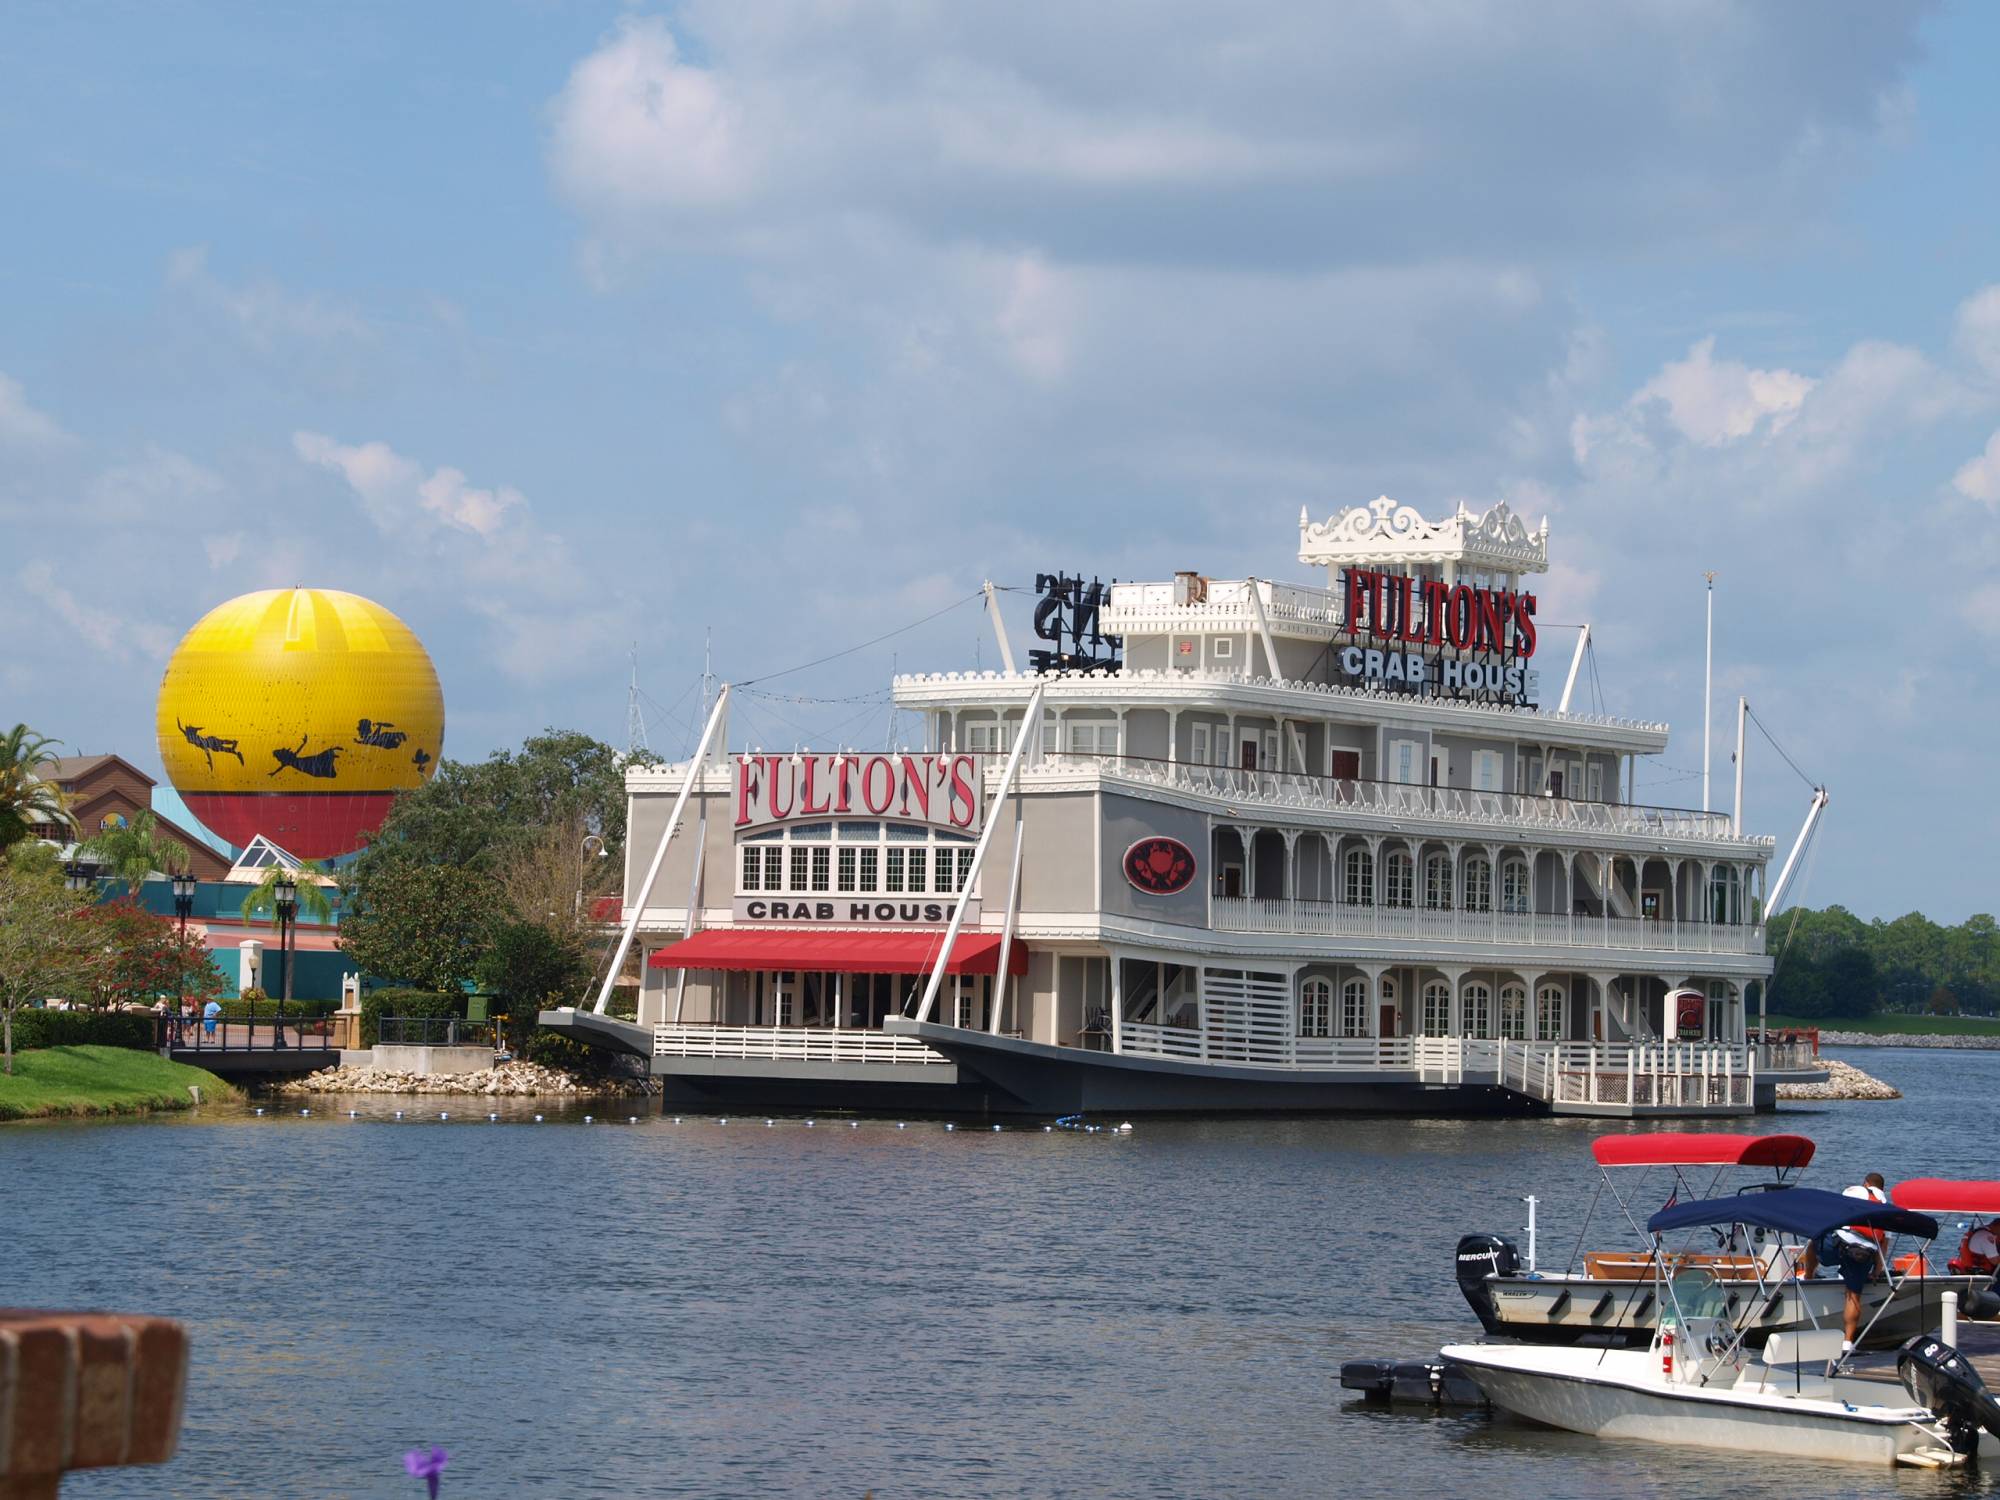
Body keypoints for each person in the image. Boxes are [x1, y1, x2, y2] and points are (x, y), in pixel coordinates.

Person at [1803, 1172, 1890, 1353]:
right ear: (1882, 1189)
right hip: (1863, 1253)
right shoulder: (1886, 1206)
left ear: (1866, 1183)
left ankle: (1808, 1277)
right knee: (1853, 1296)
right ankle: (1847, 1343)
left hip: (1840, 1243)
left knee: (1813, 1242)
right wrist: (1877, 1271)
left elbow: (1837, 1211)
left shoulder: (1856, 1191)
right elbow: (1883, 1245)